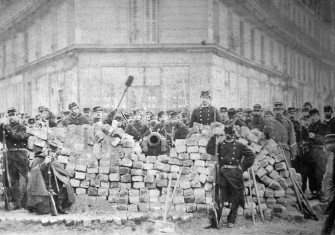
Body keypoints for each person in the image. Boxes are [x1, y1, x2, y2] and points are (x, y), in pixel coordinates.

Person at [205, 126, 255, 228]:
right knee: (219, 198)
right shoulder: (220, 144)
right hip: (222, 174)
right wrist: (213, 137)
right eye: (226, 133)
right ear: (224, 134)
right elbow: (209, 150)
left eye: (230, 133)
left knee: (236, 198)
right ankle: (215, 221)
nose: (228, 135)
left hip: (235, 174)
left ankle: (231, 220)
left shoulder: (239, 145)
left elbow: (251, 155)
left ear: (234, 134)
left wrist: (241, 167)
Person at [27, 142, 75, 215]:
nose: (52, 154)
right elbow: (33, 174)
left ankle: (59, 205)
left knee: (65, 183)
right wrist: (44, 163)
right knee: (43, 211)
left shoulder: (54, 160)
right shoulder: (38, 159)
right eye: (50, 151)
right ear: (45, 150)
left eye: (53, 152)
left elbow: (60, 172)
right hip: (40, 187)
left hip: (52, 186)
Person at [0, 107, 31, 210]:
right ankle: (15, 202)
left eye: (13, 115)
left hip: (20, 154)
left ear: (18, 116)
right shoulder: (6, 128)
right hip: (10, 154)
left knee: (27, 178)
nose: (11, 117)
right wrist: (1, 128)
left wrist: (7, 128)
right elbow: (1, 139)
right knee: (13, 180)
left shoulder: (22, 127)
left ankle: (29, 201)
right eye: (10, 116)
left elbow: (18, 137)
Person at [264, 102, 297, 167]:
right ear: (274, 111)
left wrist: (293, 153)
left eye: (280, 110)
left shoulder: (288, 123)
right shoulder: (269, 123)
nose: (278, 112)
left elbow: (292, 139)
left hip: (285, 151)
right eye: (276, 110)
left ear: (283, 110)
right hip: (273, 152)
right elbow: (266, 137)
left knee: (286, 172)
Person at [307, 108, 329, 201]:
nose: (313, 117)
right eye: (312, 116)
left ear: (319, 115)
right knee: (311, 173)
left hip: (320, 153)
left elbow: (325, 139)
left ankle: (320, 193)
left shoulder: (324, 126)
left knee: (319, 173)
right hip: (311, 152)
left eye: (315, 115)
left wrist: (315, 136)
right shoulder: (310, 126)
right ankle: (313, 192)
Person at [321, 134, 335, 235]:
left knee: (330, 212)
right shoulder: (330, 156)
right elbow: (328, 175)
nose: (330, 145)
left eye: (332, 143)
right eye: (328, 143)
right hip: (332, 188)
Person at [287, 107, 302, 172]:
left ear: (296, 114)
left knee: (298, 170)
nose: (292, 115)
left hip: (298, 151)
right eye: (290, 113)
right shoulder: (286, 124)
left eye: (293, 113)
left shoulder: (299, 124)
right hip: (288, 150)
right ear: (288, 114)